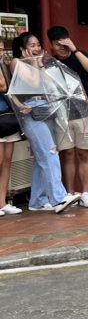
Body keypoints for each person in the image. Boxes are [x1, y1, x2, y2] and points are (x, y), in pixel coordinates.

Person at [9, 33, 79, 213]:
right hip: (31, 112)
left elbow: (48, 84)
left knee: (42, 158)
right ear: (22, 48)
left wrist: (39, 64)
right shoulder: (16, 63)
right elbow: (33, 82)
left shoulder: (38, 63)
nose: (36, 48)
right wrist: (34, 63)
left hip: (46, 109)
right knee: (49, 152)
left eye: (38, 44)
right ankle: (58, 197)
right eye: (32, 45)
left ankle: (38, 200)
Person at [47, 26, 88, 207]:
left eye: (64, 42)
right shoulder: (51, 64)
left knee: (84, 153)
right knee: (67, 154)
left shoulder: (80, 55)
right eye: (57, 44)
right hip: (62, 115)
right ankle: (70, 193)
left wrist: (75, 49)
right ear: (51, 45)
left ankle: (85, 193)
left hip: (85, 113)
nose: (61, 47)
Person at [0, 64, 23, 215]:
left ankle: (2, 202)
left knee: (7, 162)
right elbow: (2, 85)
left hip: (7, 117)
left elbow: (10, 89)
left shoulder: (4, 65)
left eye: (2, 48)